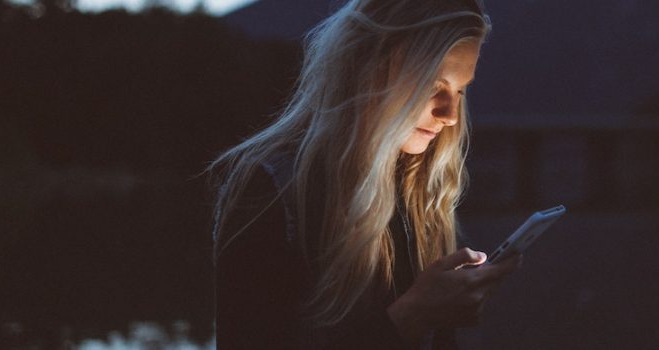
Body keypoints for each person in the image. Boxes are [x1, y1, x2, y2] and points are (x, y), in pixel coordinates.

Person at [208, 0, 520, 348]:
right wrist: (412, 316)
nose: (449, 114)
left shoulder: (416, 188)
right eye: (433, 85)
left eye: (460, 90)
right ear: (370, 65)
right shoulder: (270, 189)